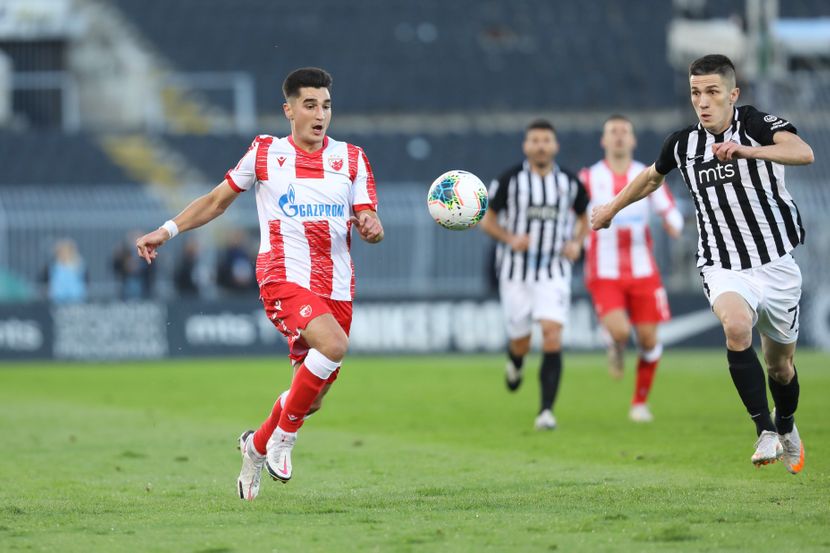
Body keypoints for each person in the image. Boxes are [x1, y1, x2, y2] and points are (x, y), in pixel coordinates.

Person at [135, 67, 384, 499]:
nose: (319, 114)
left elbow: (369, 217)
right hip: (282, 276)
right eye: (310, 105)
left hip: (337, 286)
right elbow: (216, 202)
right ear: (289, 110)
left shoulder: (353, 158)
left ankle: (255, 446)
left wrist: (372, 226)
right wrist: (167, 230)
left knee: (312, 398)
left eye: (326, 106)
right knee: (334, 345)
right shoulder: (266, 153)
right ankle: (284, 439)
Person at [591, 54, 812, 472]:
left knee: (781, 367)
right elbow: (651, 177)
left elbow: (803, 153)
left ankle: (785, 423)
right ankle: (764, 429)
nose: (703, 101)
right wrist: (610, 209)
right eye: (696, 93)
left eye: (712, 92)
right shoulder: (682, 144)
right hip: (722, 263)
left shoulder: (756, 124)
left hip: (775, 263)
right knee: (736, 326)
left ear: (733, 93)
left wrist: (746, 151)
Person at [479, 119, 589, 431]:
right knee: (521, 341)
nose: (541, 146)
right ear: (526, 146)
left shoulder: (569, 182)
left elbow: (585, 217)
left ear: (555, 145)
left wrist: (576, 243)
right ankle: (515, 362)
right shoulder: (510, 180)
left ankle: (546, 411)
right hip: (515, 272)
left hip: (553, 270)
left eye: (546, 141)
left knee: (552, 334)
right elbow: (487, 220)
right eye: (535, 141)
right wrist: (509, 238)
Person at [580, 115, 684, 423]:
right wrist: (573, 241)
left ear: (633, 140)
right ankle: (614, 342)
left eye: (624, 131)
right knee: (621, 331)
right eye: (613, 131)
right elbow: (575, 217)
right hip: (604, 269)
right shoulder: (588, 178)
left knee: (649, 340)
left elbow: (669, 210)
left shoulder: (647, 174)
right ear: (603, 140)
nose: (619, 136)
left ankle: (639, 402)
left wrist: (674, 224)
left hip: (643, 270)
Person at [43, 238, 87, 303]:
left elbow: (84, 282)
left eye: (67, 251)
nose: (65, 254)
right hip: (58, 299)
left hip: (76, 298)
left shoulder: (80, 265)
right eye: (62, 251)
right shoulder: (53, 266)